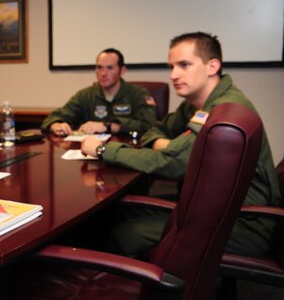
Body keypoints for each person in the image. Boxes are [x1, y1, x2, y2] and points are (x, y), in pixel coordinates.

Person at [81, 32, 281, 257]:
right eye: (172, 66)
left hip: (241, 222)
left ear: (212, 66)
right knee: (118, 211)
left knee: (126, 233)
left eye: (184, 65)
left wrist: (102, 149)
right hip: (212, 207)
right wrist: (163, 143)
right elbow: (154, 130)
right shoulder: (198, 104)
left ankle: (116, 288)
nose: (174, 75)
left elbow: (172, 163)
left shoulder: (224, 111)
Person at [41, 48, 157, 136]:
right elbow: (56, 116)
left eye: (110, 68)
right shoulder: (85, 95)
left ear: (122, 71)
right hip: (91, 154)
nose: (103, 73)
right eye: (99, 67)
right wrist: (57, 125)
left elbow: (149, 126)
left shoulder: (138, 94)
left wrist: (108, 126)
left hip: (130, 153)